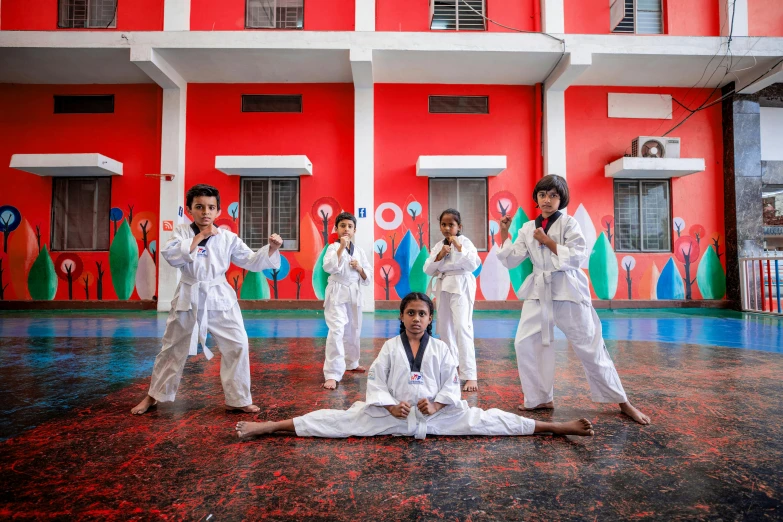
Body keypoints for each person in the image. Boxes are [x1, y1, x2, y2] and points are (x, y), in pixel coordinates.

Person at [235, 293, 595, 439]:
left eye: (423, 314)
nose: (417, 319)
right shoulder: (390, 349)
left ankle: (557, 426)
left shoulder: (441, 349)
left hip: (440, 416)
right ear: (402, 316)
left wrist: (438, 403)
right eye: (411, 313)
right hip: (388, 415)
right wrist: (390, 405)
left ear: (430, 317)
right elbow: (375, 381)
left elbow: (452, 384)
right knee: (337, 420)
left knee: (490, 419)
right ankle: (269, 426)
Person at [497, 175, 650, 425]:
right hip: (539, 292)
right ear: (536, 197)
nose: (547, 200)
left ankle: (623, 401)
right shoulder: (526, 228)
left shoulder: (570, 224)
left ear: (562, 199)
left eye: (553, 195)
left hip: (568, 290)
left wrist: (548, 242)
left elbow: (578, 257)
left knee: (590, 346)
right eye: (542, 194)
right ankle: (539, 398)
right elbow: (512, 259)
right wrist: (504, 232)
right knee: (524, 343)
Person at [131, 184, 282, 415]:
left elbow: (251, 261)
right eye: (199, 207)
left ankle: (238, 398)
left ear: (218, 211)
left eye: (211, 207)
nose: (206, 212)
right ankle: (154, 396)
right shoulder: (182, 233)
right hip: (189, 295)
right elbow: (172, 256)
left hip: (219, 296)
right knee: (172, 348)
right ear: (190, 210)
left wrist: (270, 249)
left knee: (238, 344)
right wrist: (200, 236)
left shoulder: (227, 238)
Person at [423, 208, 481, 392]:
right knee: (445, 328)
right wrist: (440, 256)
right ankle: (451, 365)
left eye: (451, 224)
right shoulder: (438, 245)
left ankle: (470, 374)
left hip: (462, 284)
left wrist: (458, 247)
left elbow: (473, 264)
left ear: (459, 226)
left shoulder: (465, 242)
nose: (447, 228)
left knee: (462, 327)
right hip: (444, 284)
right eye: (444, 224)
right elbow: (427, 269)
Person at [321, 212, 373, 390]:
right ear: (336, 229)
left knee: (354, 329)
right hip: (337, 293)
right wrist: (341, 248)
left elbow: (368, 277)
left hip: (354, 293)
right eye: (342, 225)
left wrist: (359, 268)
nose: (346, 229)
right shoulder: (332, 248)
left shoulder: (359, 251)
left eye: (350, 226)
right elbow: (328, 267)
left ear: (354, 230)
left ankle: (351, 362)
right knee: (337, 331)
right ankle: (332, 374)